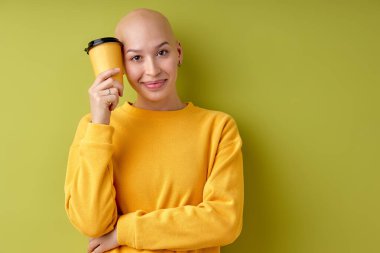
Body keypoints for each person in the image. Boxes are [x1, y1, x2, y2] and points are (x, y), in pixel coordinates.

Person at [64, 8, 244, 253]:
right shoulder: (94, 127)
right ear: (121, 64)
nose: (152, 70)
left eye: (161, 52)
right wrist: (100, 124)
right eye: (136, 57)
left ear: (178, 53)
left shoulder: (218, 128)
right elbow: (92, 223)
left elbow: (225, 222)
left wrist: (123, 233)